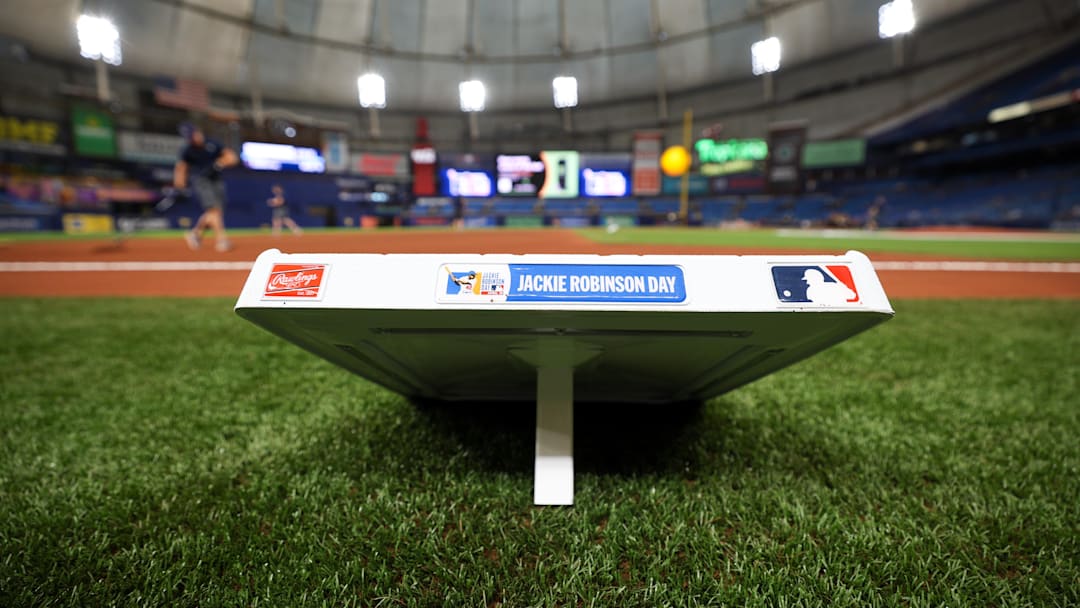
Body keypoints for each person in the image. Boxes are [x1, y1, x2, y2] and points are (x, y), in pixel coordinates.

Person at [174, 124, 239, 251]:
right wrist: (179, 186)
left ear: (197, 132)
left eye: (192, 135)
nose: (192, 139)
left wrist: (219, 163)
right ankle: (221, 240)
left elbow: (232, 158)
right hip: (201, 180)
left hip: (216, 180)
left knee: (215, 212)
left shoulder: (213, 143)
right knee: (214, 209)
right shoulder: (188, 150)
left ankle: (195, 234)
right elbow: (181, 168)